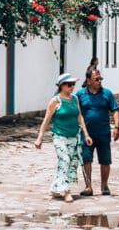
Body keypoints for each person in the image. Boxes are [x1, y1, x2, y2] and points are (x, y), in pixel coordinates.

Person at [35, 73, 94, 204]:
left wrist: (86, 134)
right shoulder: (55, 101)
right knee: (65, 160)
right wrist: (40, 138)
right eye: (69, 84)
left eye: (73, 84)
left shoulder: (74, 99)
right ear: (61, 85)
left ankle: (55, 188)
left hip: (74, 137)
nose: (72, 87)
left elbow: (79, 117)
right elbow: (46, 120)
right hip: (59, 136)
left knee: (70, 163)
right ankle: (66, 191)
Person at [76, 67, 119, 197]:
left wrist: (117, 127)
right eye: (97, 79)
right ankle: (88, 186)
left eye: (100, 79)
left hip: (103, 132)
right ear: (88, 81)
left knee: (105, 160)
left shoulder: (107, 94)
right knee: (86, 159)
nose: (99, 81)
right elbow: (75, 111)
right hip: (87, 134)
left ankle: (104, 185)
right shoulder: (80, 94)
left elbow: (115, 110)